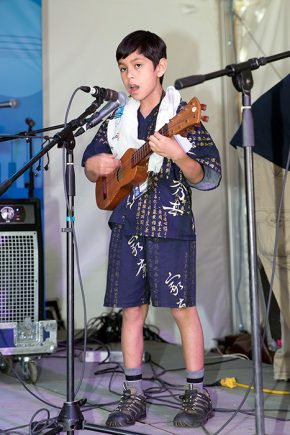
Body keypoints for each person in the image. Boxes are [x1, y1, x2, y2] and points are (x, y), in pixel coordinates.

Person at [82, 30, 221, 429]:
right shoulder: (115, 119)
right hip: (127, 223)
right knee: (131, 311)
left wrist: (179, 154)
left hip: (170, 225)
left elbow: (208, 176)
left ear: (160, 67)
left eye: (138, 66)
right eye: (124, 68)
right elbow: (91, 164)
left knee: (182, 309)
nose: (130, 76)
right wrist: (99, 167)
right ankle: (133, 395)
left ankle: (197, 394)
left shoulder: (183, 118)